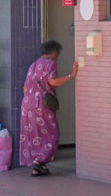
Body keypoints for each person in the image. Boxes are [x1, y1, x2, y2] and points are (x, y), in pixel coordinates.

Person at [19, 39, 78, 177]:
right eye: (57, 54)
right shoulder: (50, 64)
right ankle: (39, 161)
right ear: (53, 52)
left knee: (34, 134)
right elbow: (52, 81)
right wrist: (71, 76)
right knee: (52, 133)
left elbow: (25, 87)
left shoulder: (33, 65)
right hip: (42, 104)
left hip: (27, 103)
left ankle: (37, 165)